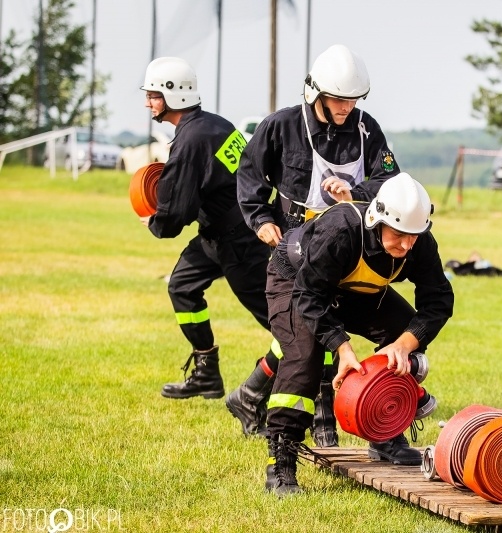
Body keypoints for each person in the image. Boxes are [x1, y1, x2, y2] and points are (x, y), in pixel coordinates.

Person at [229, 44, 402, 447]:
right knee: (309, 326)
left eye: (353, 100)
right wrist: (261, 220)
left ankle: (252, 393)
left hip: (347, 244)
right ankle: (320, 419)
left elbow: (389, 180)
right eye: (339, 99)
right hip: (293, 243)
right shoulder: (281, 126)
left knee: (316, 323)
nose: (346, 107)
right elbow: (249, 174)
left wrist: (355, 193)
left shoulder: (367, 129)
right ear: (315, 93)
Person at [262, 174, 455, 495]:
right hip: (296, 282)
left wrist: (403, 345)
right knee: (305, 358)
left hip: (350, 287)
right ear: (377, 221)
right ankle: (281, 461)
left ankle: (384, 431)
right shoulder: (340, 231)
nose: (406, 245)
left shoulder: (418, 242)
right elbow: (309, 297)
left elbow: (439, 300)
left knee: (405, 330)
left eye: (414, 236)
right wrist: (342, 347)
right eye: (398, 235)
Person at [138, 56, 278, 402]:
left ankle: (323, 378)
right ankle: (207, 374)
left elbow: (176, 209)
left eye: (153, 95)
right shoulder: (215, 124)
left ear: (173, 95)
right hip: (220, 234)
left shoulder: (190, 142)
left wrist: (155, 221)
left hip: (242, 242)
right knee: (182, 286)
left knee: (279, 318)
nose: (147, 102)